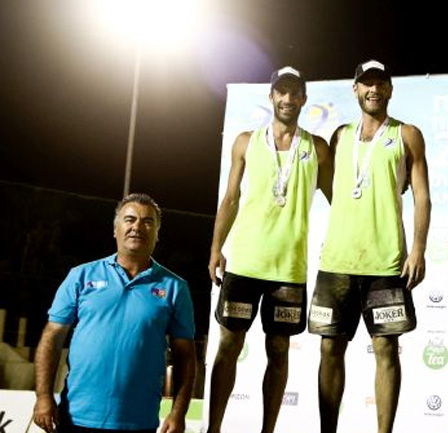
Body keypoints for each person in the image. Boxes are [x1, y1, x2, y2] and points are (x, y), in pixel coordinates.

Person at [206, 66, 332, 433]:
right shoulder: (246, 141)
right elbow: (230, 198)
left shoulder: (317, 148)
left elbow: (340, 201)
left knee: (278, 352)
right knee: (228, 346)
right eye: (282, 91)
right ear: (272, 95)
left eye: (295, 93)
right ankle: (212, 428)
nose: (288, 99)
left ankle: (268, 430)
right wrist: (216, 249)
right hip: (243, 264)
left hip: (288, 269)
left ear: (304, 99)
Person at [308, 59, 431, 433]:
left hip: (386, 262)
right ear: (355, 89)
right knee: (330, 349)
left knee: (386, 351)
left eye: (380, 83)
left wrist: (418, 250)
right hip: (338, 261)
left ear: (390, 89)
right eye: (366, 83)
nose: (373, 90)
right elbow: (333, 190)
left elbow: (422, 198)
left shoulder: (407, 134)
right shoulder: (340, 136)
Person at [33, 193, 196, 433]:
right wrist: (44, 396)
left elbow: (186, 357)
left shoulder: (175, 287)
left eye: (147, 221)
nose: (137, 227)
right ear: (115, 229)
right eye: (129, 219)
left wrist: (178, 413)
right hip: (76, 417)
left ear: (157, 233)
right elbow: (52, 338)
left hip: (138, 422)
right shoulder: (81, 276)